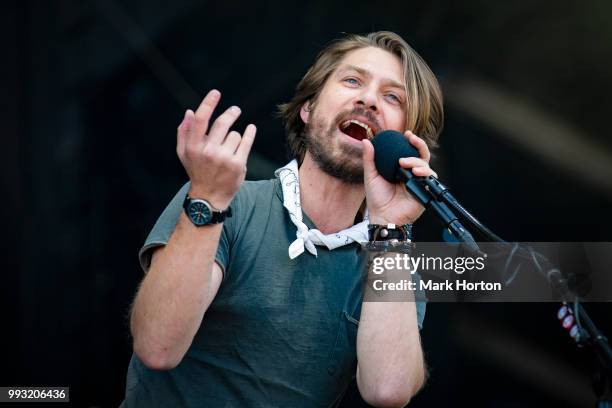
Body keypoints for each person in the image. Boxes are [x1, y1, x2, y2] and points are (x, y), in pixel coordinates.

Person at [121, 31, 443, 408]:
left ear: (407, 144)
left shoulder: (392, 261)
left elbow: (388, 390)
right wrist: (207, 199)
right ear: (308, 108)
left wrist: (391, 229)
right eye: (352, 80)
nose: (368, 99)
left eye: (393, 97)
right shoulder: (226, 202)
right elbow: (157, 345)